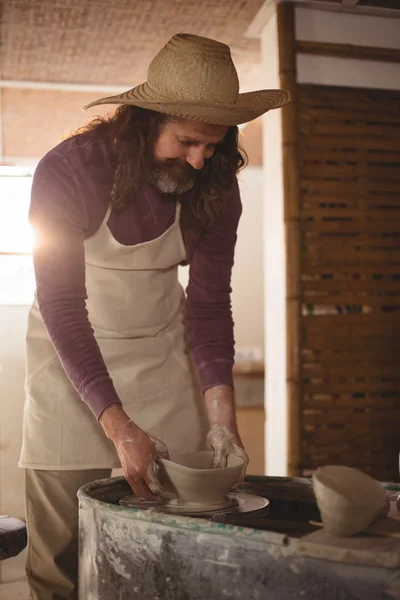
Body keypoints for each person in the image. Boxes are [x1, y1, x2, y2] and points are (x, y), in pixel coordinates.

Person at [19, 33, 289, 599]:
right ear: (143, 121)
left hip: (163, 358)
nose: (200, 158)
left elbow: (211, 306)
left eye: (213, 144)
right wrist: (118, 427)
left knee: (174, 543)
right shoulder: (70, 171)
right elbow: (65, 307)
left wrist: (224, 419)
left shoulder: (214, 187)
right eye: (187, 141)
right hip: (71, 366)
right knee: (62, 558)